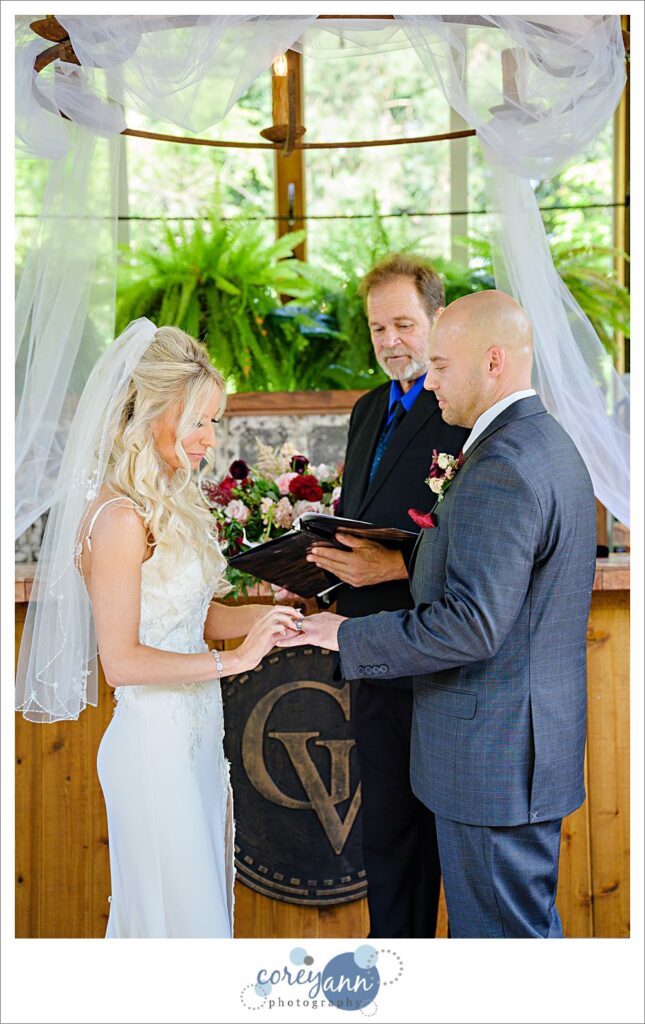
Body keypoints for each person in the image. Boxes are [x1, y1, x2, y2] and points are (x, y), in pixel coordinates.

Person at [279, 290, 597, 938]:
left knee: (500, 947)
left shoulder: (501, 463)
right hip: (517, 751)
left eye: (441, 365)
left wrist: (346, 633)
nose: (427, 382)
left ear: (493, 362)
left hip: (494, 757)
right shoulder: (541, 442)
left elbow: (470, 624)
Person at [16, 320, 302, 938]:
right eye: (199, 419)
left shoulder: (167, 502)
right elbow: (121, 661)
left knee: (198, 923)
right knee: (174, 933)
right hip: (151, 750)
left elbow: (197, 618)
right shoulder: (118, 517)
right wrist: (236, 661)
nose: (209, 438)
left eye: (215, 421)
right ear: (152, 413)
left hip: (196, 744)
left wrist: (279, 622)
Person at [279, 255, 469, 938]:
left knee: (451, 834)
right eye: (375, 327)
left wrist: (394, 565)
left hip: (436, 646)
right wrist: (313, 570)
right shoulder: (365, 410)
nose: (389, 340)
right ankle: (396, 968)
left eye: (402, 324)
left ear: (437, 321)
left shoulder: (463, 408)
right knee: (386, 828)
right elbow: (360, 518)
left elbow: (469, 536)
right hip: (366, 650)